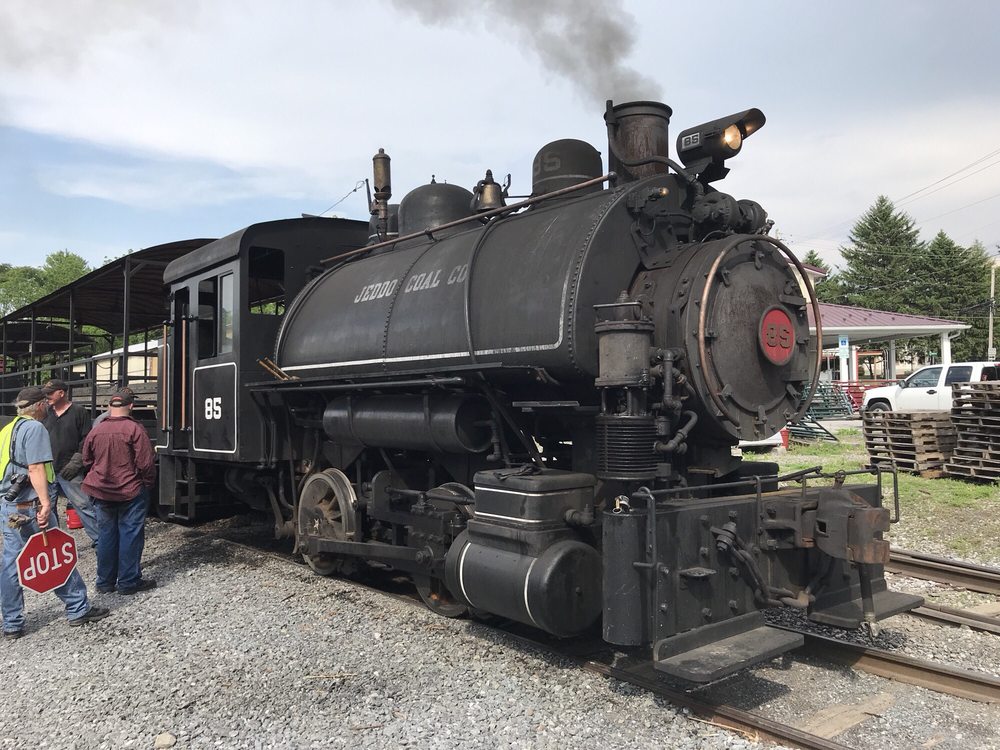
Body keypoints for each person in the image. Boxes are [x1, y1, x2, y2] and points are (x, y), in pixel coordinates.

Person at [1, 387, 110, 639]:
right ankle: (77, 608)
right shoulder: (35, 428)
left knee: (11, 561)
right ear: (39, 406)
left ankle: (12, 623)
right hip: (30, 503)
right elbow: (36, 467)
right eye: (46, 403)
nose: (49, 407)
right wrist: (45, 503)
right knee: (54, 553)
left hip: (9, 502)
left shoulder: (7, 429)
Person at [82, 387, 157, 595]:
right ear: (131, 406)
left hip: (100, 490)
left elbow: (86, 459)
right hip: (130, 490)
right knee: (130, 535)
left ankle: (105, 582)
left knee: (106, 535)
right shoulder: (135, 429)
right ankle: (128, 582)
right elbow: (146, 463)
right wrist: (147, 483)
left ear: (109, 406)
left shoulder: (96, 429)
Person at [41, 378, 100, 546]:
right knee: (48, 510)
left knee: (84, 506)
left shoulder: (79, 412)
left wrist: (76, 463)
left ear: (61, 393)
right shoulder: (45, 412)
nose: (47, 397)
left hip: (70, 470)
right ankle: (52, 547)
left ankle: (101, 543)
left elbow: (86, 440)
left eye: (50, 394)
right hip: (48, 470)